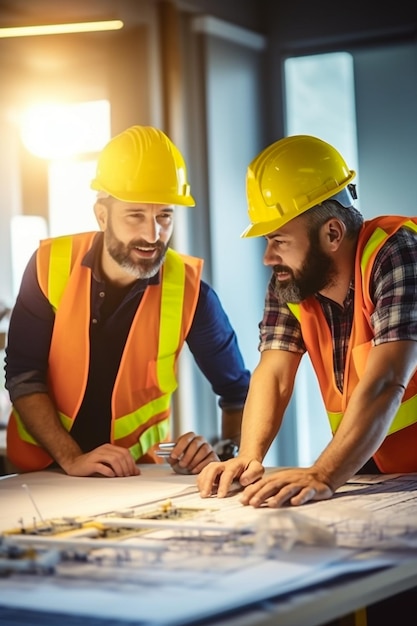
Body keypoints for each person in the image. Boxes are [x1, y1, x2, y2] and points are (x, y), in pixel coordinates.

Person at [4, 125, 250, 478]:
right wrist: (72, 457)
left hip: (132, 475)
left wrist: (227, 458)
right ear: (102, 216)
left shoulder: (192, 294)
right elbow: (23, 376)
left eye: (164, 216)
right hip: (42, 471)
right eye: (135, 215)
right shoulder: (49, 264)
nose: (152, 235)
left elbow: (238, 393)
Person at [197, 133, 417, 507]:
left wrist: (323, 474)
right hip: (378, 476)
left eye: (279, 240)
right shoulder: (292, 282)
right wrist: (248, 458)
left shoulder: (397, 252)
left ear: (332, 232)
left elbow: (387, 381)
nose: (268, 257)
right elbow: (275, 374)